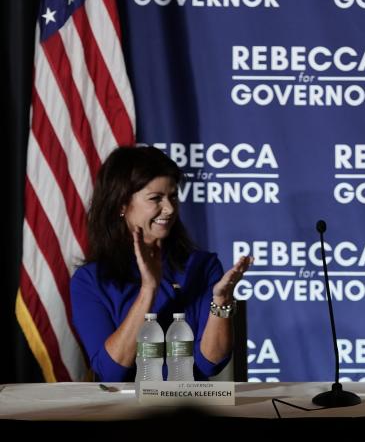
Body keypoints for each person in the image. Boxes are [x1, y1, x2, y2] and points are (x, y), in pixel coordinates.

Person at [70, 146, 251, 381]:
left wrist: (222, 301)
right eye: (156, 198)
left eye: (173, 196)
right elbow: (111, 371)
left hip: (190, 410)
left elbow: (210, 364)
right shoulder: (90, 280)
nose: (169, 208)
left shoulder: (202, 266)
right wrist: (149, 290)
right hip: (123, 411)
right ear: (122, 205)